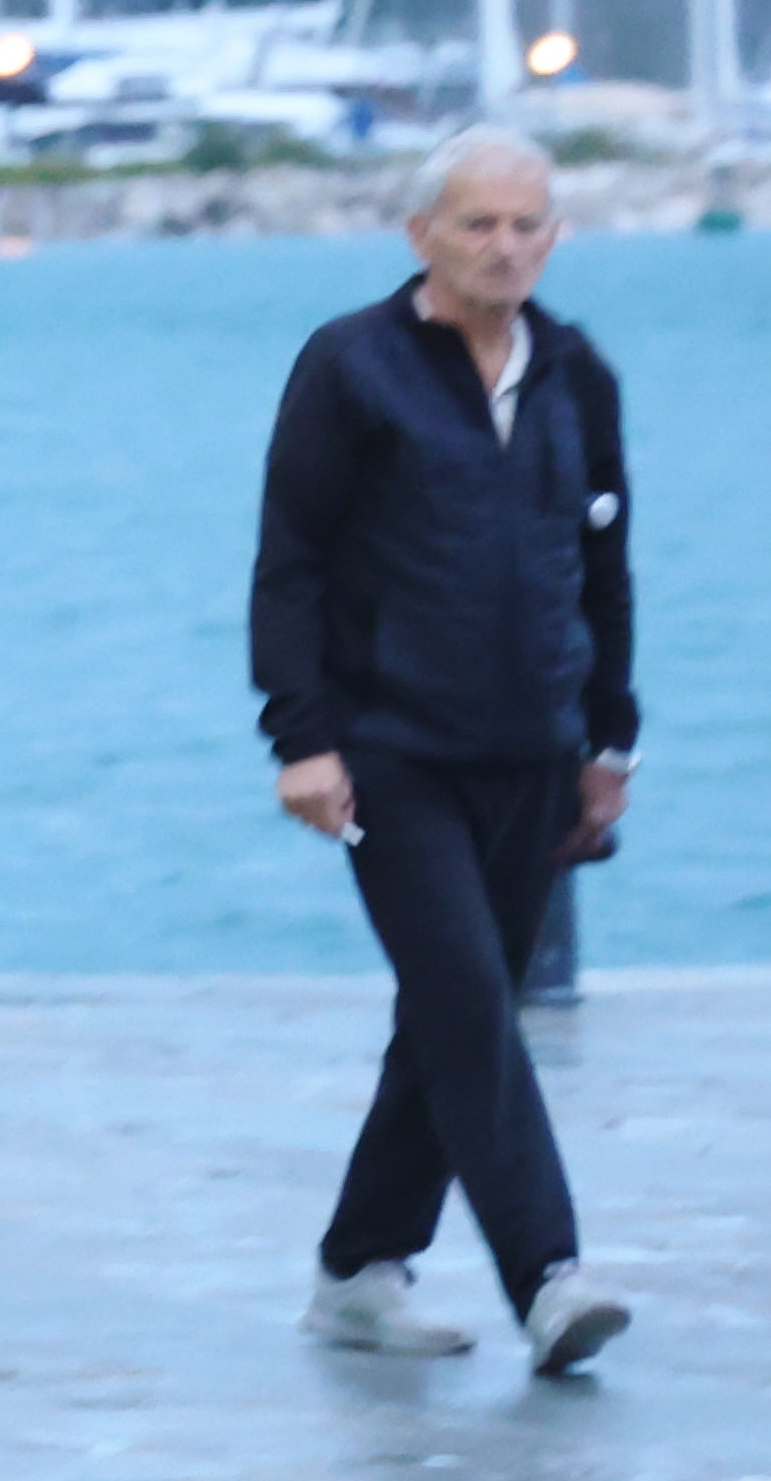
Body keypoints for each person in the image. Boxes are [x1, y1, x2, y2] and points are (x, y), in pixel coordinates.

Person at [254, 127, 636, 1377]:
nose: (505, 245)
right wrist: (301, 740)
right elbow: (291, 563)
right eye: (479, 223)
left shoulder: (578, 372)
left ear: (555, 237)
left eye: (528, 224)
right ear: (421, 234)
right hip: (389, 756)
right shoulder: (350, 366)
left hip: (534, 753)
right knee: (472, 1005)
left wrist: (610, 739)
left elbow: (603, 567)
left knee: (450, 1016)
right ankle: (550, 1275)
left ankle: (356, 1269)